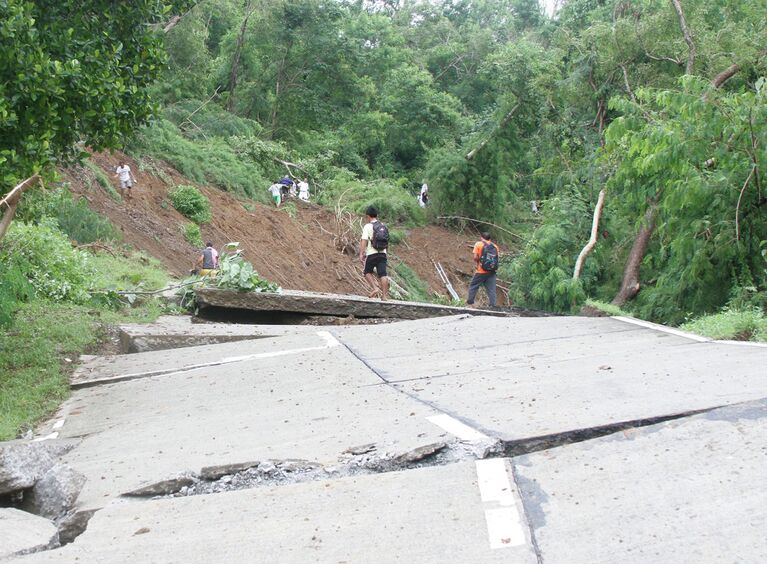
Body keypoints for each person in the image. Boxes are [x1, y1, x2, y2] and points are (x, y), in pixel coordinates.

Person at [358, 206, 390, 301]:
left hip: (372, 253)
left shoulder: (367, 226)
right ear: (376, 215)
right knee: (383, 274)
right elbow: (387, 240)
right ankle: (384, 296)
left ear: (368, 216)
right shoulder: (383, 226)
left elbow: (364, 241)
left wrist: (361, 253)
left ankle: (375, 288)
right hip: (382, 253)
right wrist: (385, 252)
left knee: (367, 272)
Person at [466, 232, 499, 308]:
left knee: (473, 285)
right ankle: (492, 306)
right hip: (492, 271)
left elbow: (475, 257)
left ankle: (470, 303)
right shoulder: (495, 246)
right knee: (492, 289)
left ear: (481, 238)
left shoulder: (478, 244)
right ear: (490, 239)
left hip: (481, 271)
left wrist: (479, 261)